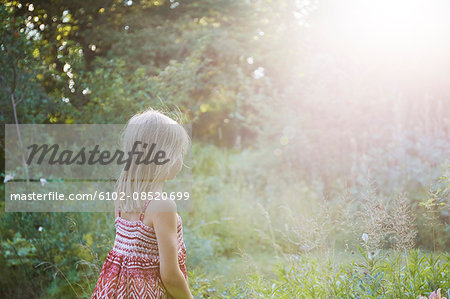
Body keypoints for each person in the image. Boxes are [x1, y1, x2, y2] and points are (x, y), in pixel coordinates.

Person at [92, 109, 193, 299]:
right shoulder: (162, 206)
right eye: (178, 152)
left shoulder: (122, 196)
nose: (181, 159)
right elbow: (170, 276)